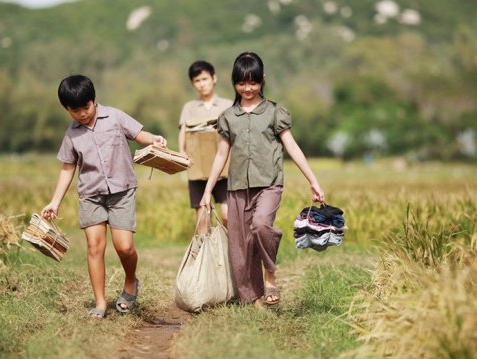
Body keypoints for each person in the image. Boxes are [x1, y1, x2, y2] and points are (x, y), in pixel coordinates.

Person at [200, 52, 325, 308]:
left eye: (253, 83)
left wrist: (312, 180)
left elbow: (292, 147)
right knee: (241, 246)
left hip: (269, 184)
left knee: (260, 226)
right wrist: (207, 191)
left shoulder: (274, 112)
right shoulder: (228, 117)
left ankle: (270, 274)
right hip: (236, 189)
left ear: (262, 80)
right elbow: (221, 155)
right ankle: (253, 299)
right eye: (242, 83)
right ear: (234, 82)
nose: (247, 88)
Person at [41, 74, 167, 318]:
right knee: (94, 248)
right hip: (91, 195)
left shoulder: (116, 117)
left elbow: (140, 134)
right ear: (67, 109)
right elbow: (68, 169)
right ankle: (100, 304)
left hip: (122, 192)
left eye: (85, 107)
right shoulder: (71, 135)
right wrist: (54, 202)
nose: (82, 114)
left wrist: (155, 140)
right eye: (74, 110)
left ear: (93, 100)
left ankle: (131, 281)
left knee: (125, 247)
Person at [178, 60, 231, 234]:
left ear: (213, 78)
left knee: (227, 215)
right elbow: (184, 132)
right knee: (202, 219)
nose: (202, 84)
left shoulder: (227, 105)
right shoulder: (189, 107)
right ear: (193, 84)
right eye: (197, 81)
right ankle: (205, 257)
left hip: (224, 171)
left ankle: (230, 255)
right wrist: (182, 153)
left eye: (205, 79)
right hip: (198, 171)